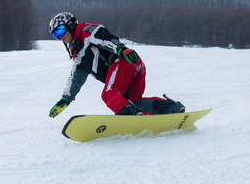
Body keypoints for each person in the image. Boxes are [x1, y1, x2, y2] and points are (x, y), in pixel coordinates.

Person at [48, 12, 185, 118]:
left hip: (124, 60)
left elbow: (106, 38)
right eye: (55, 35)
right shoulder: (78, 52)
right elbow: (76, 77)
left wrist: (121, 49)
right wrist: (66, 98)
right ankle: (171, 108)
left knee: (109, 94)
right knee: (134, 101)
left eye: (60, 31)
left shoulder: (86, 31)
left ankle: (130, 116)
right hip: (134, 64)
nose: (60, 37)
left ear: (71, 25)